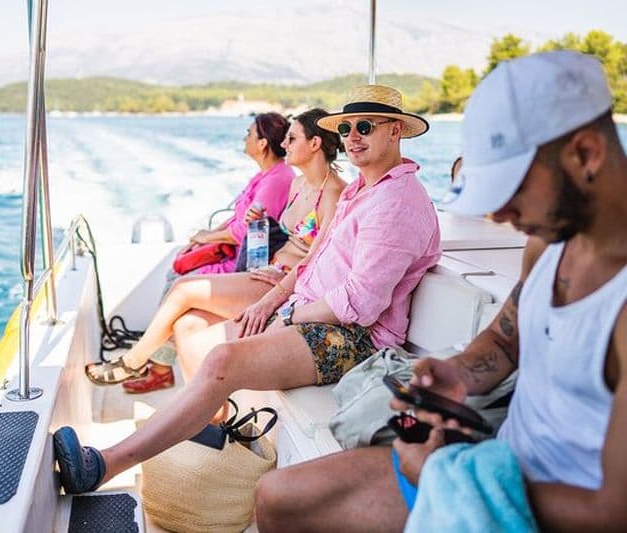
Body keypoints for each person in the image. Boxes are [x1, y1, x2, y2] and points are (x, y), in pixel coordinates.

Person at [254, 51, 627, 532]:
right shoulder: (547, 247)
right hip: (499, 465)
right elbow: (506, 341)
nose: (500, 216)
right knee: (279, 497)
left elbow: (613, 513)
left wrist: (442, 475)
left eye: (510, 191)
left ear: (585, 154)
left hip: (531, 502)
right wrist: (455, 375)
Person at [54, 85, 442, 496]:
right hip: (311, 311)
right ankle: (214, 434)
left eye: (365, 126)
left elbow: (359, 303)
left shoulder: (397, 202)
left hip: (354, 339)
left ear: (396, 131)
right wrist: (272, 301)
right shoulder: (359, 192)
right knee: (190, 328)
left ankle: (105, 465)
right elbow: (313, 262)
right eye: (346, 128)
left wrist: (290, 315)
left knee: (222, 359)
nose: (353, 137)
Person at [87, 108, 346, 392]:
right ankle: (214, 420)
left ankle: (133, 362)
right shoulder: (298, 184)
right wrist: (257, 223)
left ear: (315, 144)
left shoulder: (334, 194)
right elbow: (282, 233)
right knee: (187, 325)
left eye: (292, 138)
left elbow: (315, 259)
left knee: (184, 289)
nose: (284, 146)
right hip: (267, 268)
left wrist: (274, 296)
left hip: (283, 284)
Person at [183, 112, 295, 275]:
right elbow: (237, 217)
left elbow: (250, 230)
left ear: (262, 143)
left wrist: (206, 238)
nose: (245, 139)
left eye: (249, 134)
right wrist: (206, 236)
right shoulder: (264, 175)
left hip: (242, 265)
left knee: (177, 281)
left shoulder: (277, 181)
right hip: (229, 254)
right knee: (179, 265)